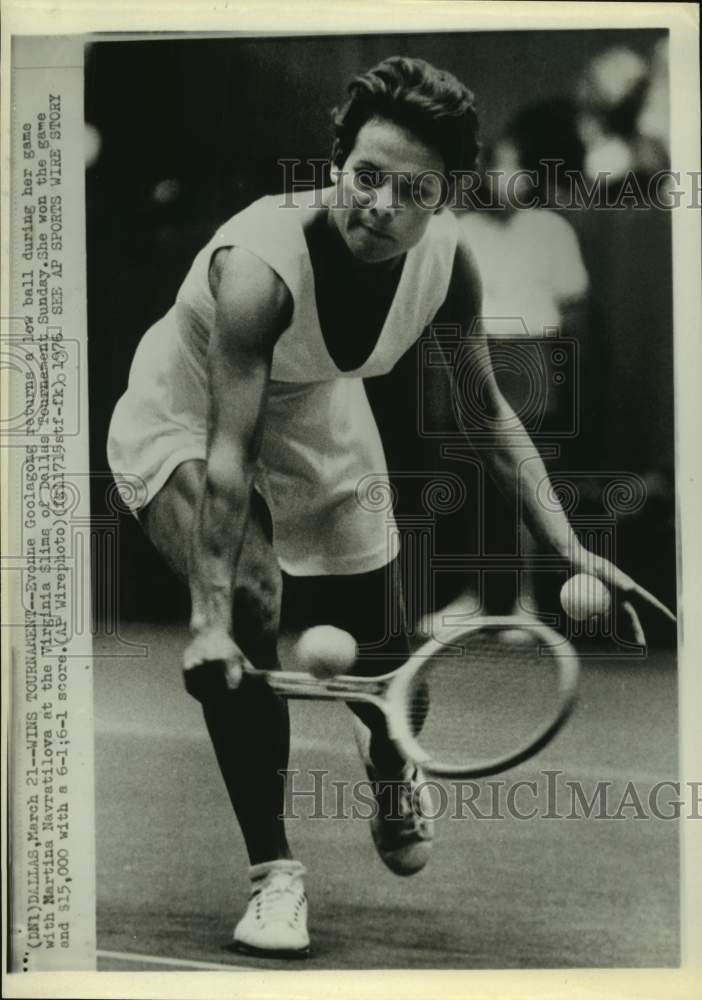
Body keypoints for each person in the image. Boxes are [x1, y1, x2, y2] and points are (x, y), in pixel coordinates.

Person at [107, 56, 672, 958]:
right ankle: (274, 874)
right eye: (365, 175)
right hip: (188, 420)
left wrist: (570, 545)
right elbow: (230, 454)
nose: (379, 205)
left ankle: (390, 760)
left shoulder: (447, 263)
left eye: (413, 190)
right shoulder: (258, 266)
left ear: (444, 198)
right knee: (251, 600)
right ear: (337, 161)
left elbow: (487, 415)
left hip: (320, 414)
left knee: (391, 652)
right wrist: (210, 618)